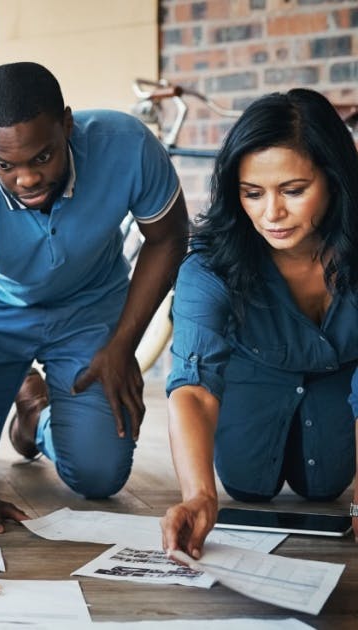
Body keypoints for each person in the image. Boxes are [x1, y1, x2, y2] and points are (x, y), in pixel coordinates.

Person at [0, 62, 189, 528]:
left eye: (42, 157)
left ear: (67, 124)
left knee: (100, 475)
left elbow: (168, 238)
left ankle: (34, 416)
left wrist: (122, 346)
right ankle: (20, 383)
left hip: (89, 305)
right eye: (5, 165)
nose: (25, 179)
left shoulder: (125, 145)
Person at [161, 89, 358, 558]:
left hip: (344, 387)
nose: (272, 214)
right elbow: (192, 386)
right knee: (246, 483)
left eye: (293, 190)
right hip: (254, 380)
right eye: (253, 193)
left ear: (334, 181)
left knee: (326, 486)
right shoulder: (209, 267)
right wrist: (198, 495)